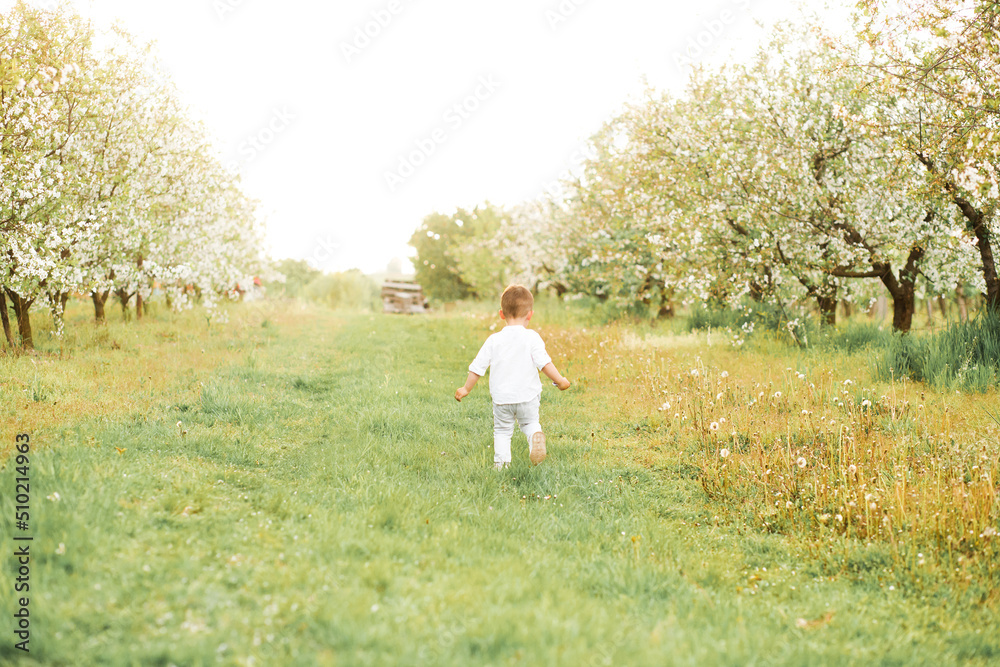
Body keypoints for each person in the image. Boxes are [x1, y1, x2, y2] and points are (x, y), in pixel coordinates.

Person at [454, 284, 570, 468]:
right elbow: (544, 364)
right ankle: (534, 436)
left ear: (501, 314)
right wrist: (560, 381)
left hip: (502, 398)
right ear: (530, 314)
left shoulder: (494, 340)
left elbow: (477, 367)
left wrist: (466, 388)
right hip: (528, 396)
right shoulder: (532, 337)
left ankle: (502, 466)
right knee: (530, 422)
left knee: (502, 431)